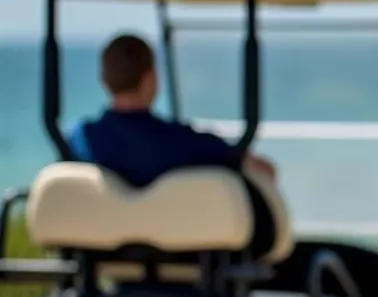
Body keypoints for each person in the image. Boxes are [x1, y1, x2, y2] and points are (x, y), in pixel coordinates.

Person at [68, 33, 277, 189]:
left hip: (95, 246)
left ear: (104, 80)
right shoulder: (186, 143)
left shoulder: (80, 141)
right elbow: (264, 170)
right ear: (151, 79)